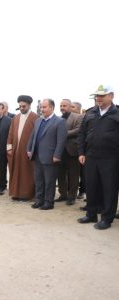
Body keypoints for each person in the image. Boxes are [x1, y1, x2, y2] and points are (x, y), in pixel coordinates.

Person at [77, 85, 119, 230]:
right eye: (97, 96)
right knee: (91, 186)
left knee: (109, 189)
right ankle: (91, 214)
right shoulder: (90, 113)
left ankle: (107, 218)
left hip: (111, 158)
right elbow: (82, 134)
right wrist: (81, 152)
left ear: (111, 96)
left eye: (102, 95)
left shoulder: (117, 113)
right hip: (91, 157)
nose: (98, 98)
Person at [27, 99, 67, 210]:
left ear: (52, 108)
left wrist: (57, 155)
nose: (42, 109)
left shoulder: (59, 121)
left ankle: (49, 202)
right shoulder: (38, 121)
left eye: (44, 107)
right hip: (37, 155)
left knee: (49, 181)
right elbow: (33, 136)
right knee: (38, 180)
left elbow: (61, 141)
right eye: (41, 107)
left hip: (50, 157)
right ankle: (39, 200)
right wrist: (29, 148)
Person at [7, 95, 38, 201]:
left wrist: (32, 150)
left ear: (29, 105)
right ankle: (15, 193)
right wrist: (9, 147)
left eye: (24, 106)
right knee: (15, 172)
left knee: (27, 172)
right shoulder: (16, 117)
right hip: (16, 150)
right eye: (20, 106)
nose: (21, 108)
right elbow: (10, 133)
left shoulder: (35, 117)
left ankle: (26, 195)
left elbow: (36, 136)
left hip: (28, 151)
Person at [55, 99, 83, 205]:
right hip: (60, 151)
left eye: (65, 105)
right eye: (61, 105)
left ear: (70, 106)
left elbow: (79, 129)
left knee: (74, 176)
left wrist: (63, 134)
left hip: (73, 151)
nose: (62, 107)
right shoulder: (58, 118)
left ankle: (72, 197)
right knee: (60, 175)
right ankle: (63, 195)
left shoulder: (78, 117)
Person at [70, 101, 86, 200]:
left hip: (81, 150)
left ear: (79, 109)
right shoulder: (67, 118)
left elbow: (80, 132)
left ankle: (82, 191)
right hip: (70, 151)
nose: (70, 108)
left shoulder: (83, 118)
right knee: (72, 174)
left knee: (83, 174)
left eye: (73, 107)